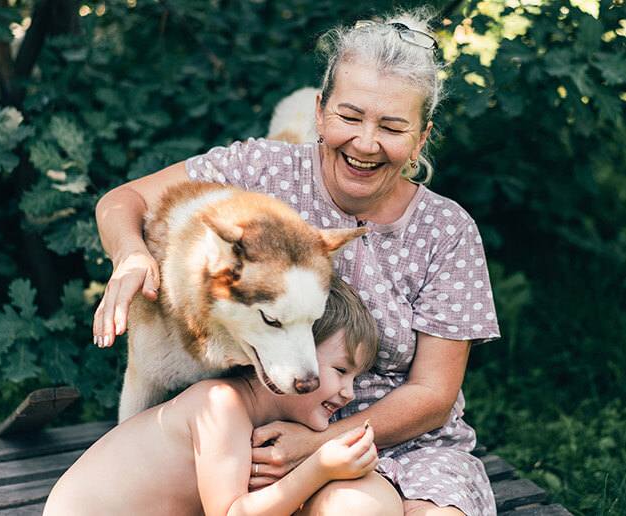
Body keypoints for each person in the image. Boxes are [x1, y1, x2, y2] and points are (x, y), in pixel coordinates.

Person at [90, 8, 501, 516]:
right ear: (321, 114)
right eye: (350, 117)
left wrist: (317, 447)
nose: (366, 143)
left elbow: (434, 394)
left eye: (392, 127)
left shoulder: (448, 230)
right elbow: (121, 200)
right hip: (277, 439)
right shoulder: (259, 169)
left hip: (411, 444)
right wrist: (130, 254)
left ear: (420, 139)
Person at [45, 276, 389, 516]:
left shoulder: (252, 420)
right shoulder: (220, 405)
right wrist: (319, 468)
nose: (349, 392)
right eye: (341, 371)